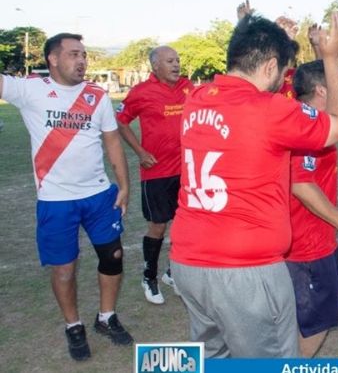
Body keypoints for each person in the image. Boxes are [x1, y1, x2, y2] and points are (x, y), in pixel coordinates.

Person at [169, 12, 338, 358]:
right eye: (283, 72)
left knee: (215, 357)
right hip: (244, 271)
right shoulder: (271, 110)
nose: (284, 80)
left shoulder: (196, 98)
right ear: (270, 66)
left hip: (188, 261)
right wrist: (331, 58)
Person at [0, 33, 133, 361]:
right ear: (53, 59)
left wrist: (124, 185)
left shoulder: (97, 95)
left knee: (113, 257)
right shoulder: (29, 89)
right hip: (56, 201)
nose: (82, 60)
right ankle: (73, 326)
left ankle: (106, 317)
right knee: (64, 270)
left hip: (100, 196)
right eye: (74, 54)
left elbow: (113, 142)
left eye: (84, 54)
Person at [286, 59, 338, 357]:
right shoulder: (307, 126)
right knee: (314, 323)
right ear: (322, 90)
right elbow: (301, 183)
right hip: (305, 247)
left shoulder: (301, 116)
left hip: (299, 242)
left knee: (294, 321)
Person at [116, 46, 193, 304]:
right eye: (170, 61)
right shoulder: (141, 92)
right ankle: (149, 276)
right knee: (159, 225)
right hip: (157, 171)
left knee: (186, 224)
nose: (176, 64)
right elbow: (121, 121)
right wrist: (139, 151)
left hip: (186, 169)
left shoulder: (188, 87)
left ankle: (174, 273)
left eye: (178, 60)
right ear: (155, 66)